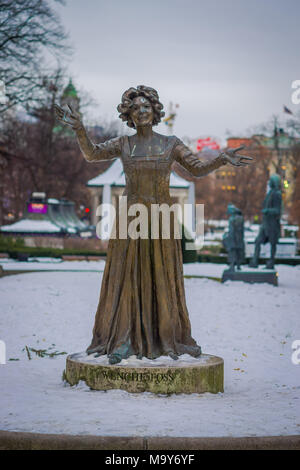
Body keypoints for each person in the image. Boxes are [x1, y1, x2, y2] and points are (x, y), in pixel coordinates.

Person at [54, 85, 252, 364]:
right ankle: (123, 339)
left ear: (155, 110)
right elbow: (92, 154)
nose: (142, 110)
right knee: (127, 277)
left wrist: (220, 159)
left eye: (147, 106)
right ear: (129, 115)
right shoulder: (124, 143)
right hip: (131, 218)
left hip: (161, 218)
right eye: (136, 107)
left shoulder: (170, 143)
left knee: (161, 276)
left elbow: (195, 168)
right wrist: (80, 130)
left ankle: (166, 339)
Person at [249, 174, 282, 269]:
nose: (269, 182)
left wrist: (267, 211)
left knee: (272, 244)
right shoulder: (270, 193)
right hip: (265, 224)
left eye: (271, 180)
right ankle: (255, 261)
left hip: (272, 224)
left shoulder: (277, 194)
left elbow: (278, 210)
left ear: (274, 182)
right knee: (258, 241)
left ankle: (271, 262)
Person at [223, 204, 245, 271]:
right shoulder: (237, 218)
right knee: (237, 252)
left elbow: (235, 230)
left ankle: (233, 266)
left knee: (233, 252)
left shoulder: (235, 218)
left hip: (235, 238)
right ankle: (237, 266)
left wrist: (228, 237)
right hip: (237, 238)